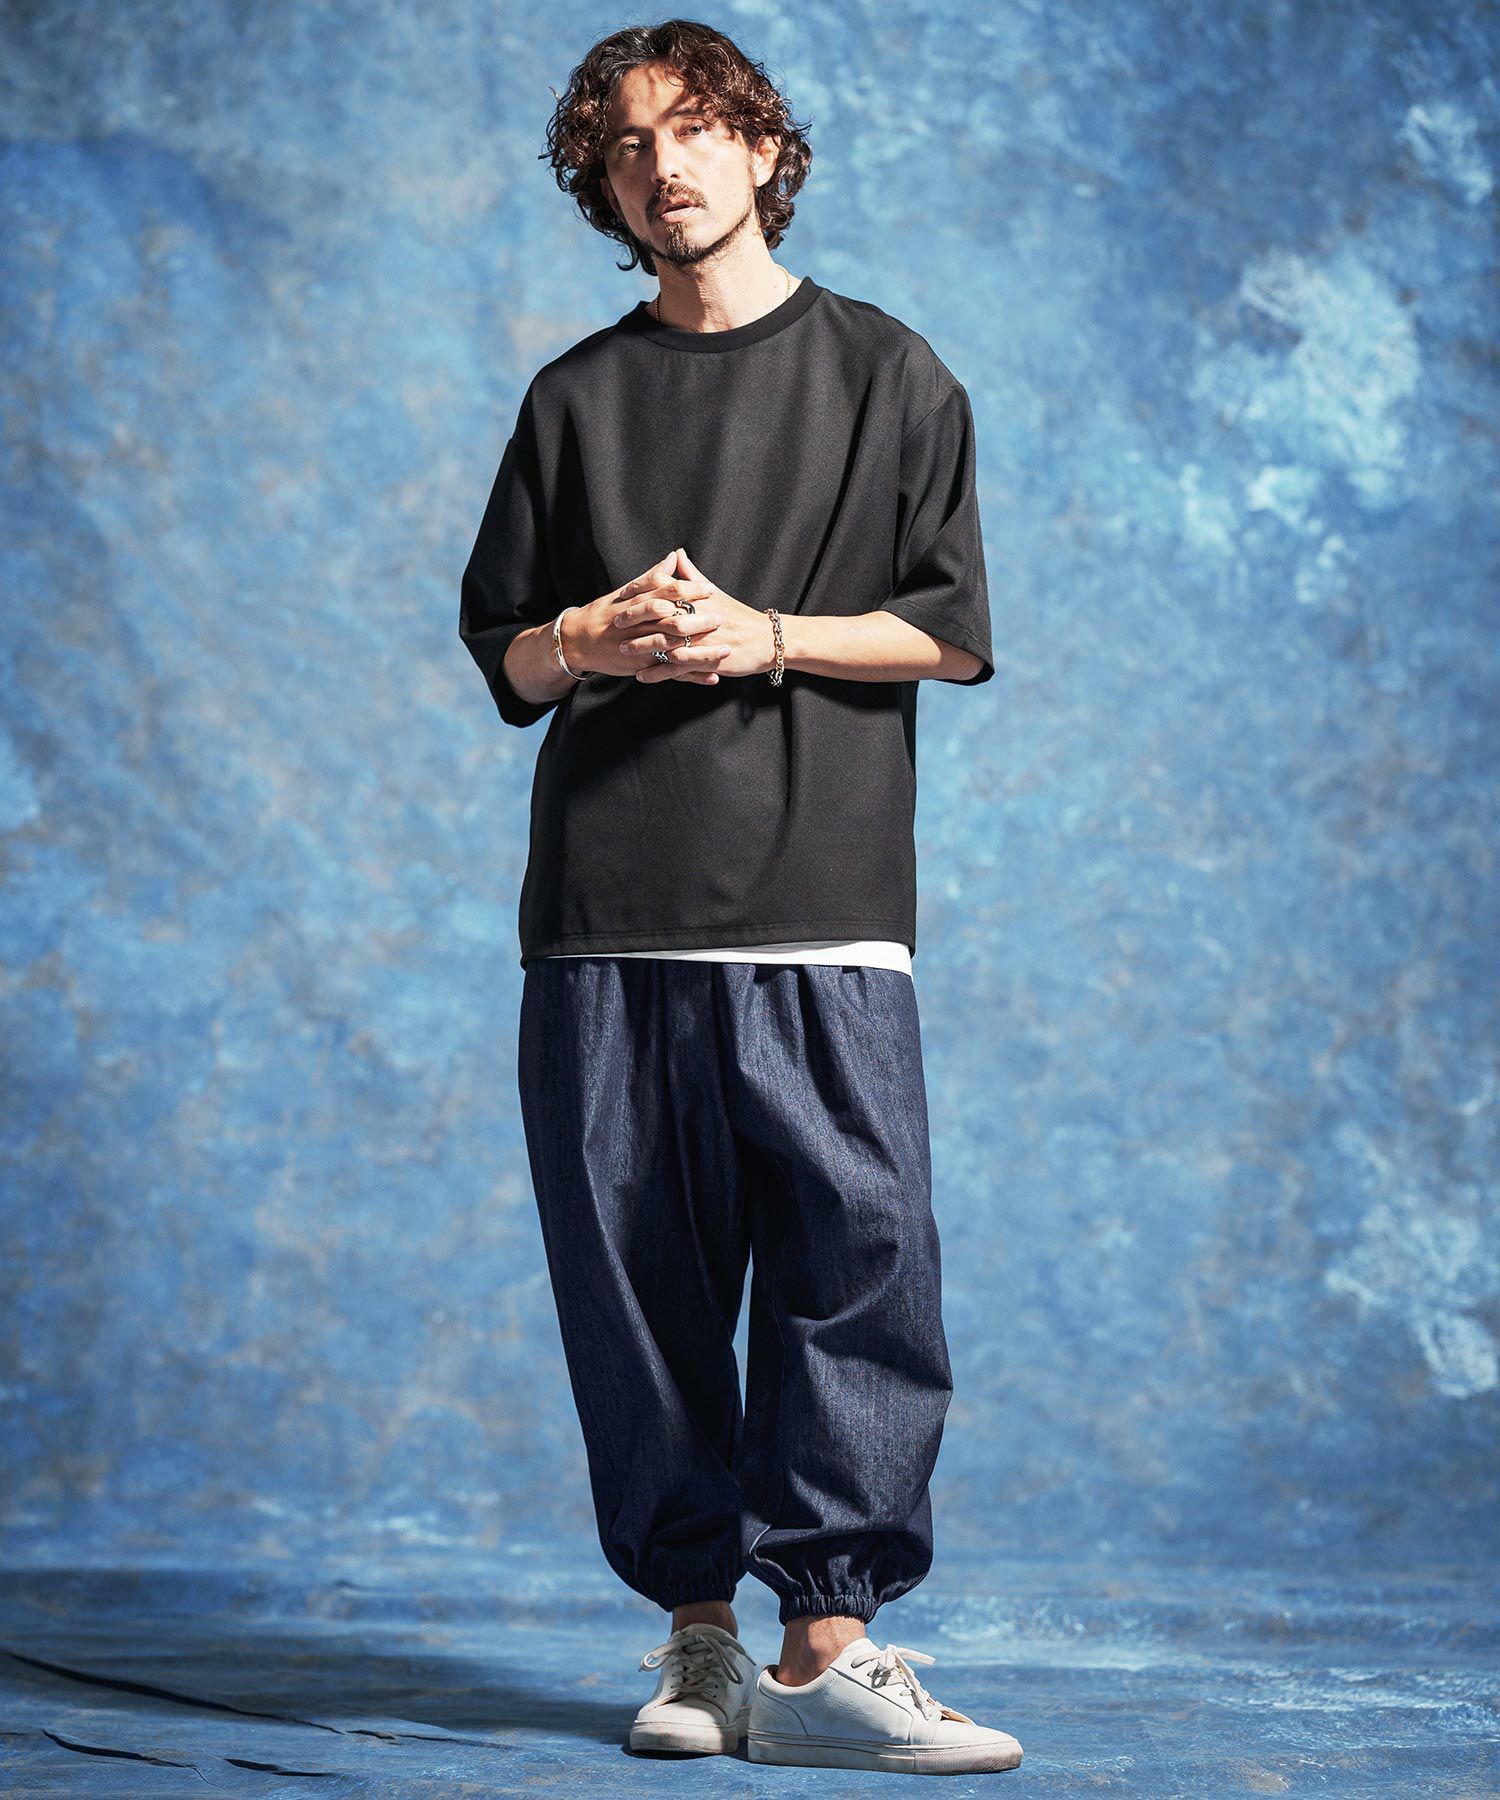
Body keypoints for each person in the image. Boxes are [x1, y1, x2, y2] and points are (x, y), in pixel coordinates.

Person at [458, 18, 1023, 1778]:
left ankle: (827, 1648)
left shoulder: (890, 374)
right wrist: (595, 637)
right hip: (606, 915)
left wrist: (766, 633)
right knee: (637, 1286)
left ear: (765, 150)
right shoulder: (575, 398)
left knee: (860, 1265)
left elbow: (949, 631)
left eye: (697, 129)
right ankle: (699, 1644)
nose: (666, 167)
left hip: (823, 901)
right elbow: (507, 651)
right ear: (602, 185)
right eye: (629, 146)